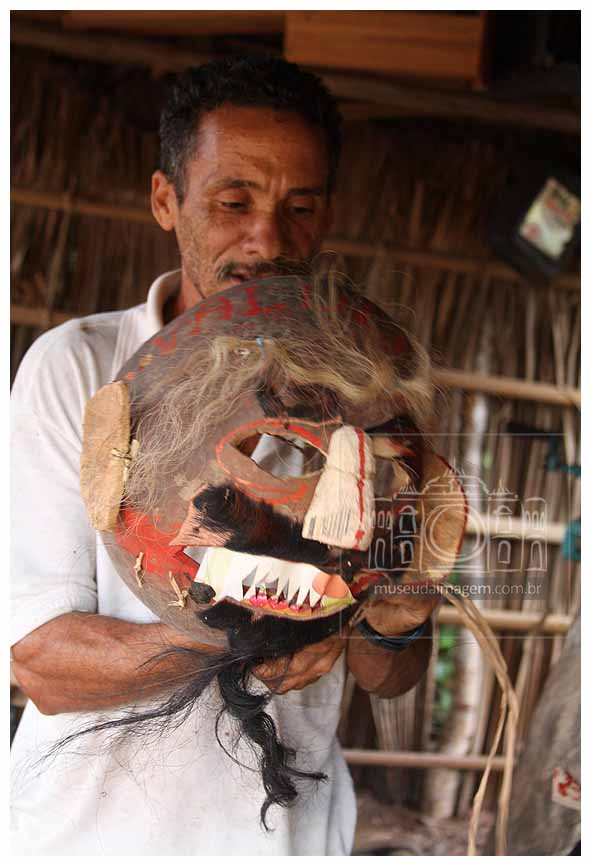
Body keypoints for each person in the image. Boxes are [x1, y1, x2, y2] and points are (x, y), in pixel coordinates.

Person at [11, 56, 436, 855]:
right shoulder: (80, 369)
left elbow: (390, 675)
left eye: (299, 207)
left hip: (291, 839)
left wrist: (398, 615)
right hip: (93, 839)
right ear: (165, 200)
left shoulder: (367, 391)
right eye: (232, 202)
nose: (266, 239)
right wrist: (247, 639)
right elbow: (41, 664)